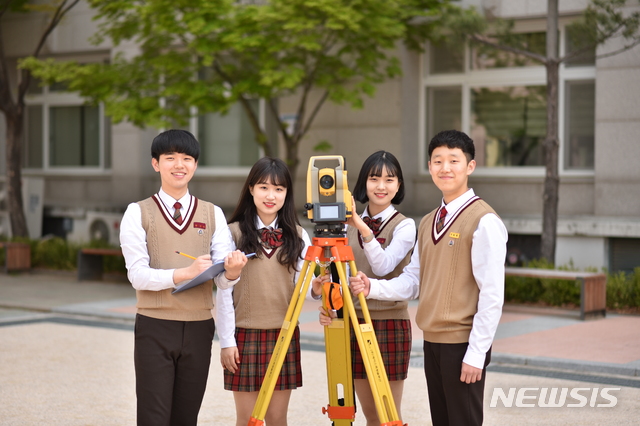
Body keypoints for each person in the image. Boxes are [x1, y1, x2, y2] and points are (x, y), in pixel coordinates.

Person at [349, 130, 507, 426]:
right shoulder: (428, 221)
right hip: (433, 342)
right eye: (437, 161)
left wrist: (476, 353)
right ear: (430, 166)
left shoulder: (484, 221)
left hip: (462, 344)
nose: (445, 168)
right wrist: (372, 287)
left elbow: (492, 294)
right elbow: (412, 281)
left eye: (453, 160)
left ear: (470, 167)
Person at [119, 129, 248, 426]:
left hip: (200, 327)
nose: (179, 165)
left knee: (186, 417)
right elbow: (137, 275)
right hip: (155, 325)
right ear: (156, 164)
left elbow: (222, 279)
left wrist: (232, 272)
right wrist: (184, 274)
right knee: (153, 416)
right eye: (170, 158)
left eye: (187, 158)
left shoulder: (213, 213)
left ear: (195, 165)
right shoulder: (137, 213)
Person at [311, 150, 416, 425]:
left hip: (389, 322)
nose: (381, 186)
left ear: (399, 185)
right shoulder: (343, 227)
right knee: (370, 414)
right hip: (352, 321)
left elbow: (383, 266)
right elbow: (337, 277)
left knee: (388, 415)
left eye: (389, 179)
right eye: (374, 178)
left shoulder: (405, 226)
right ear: (363, 183)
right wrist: (329, 305)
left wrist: (359, 224)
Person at [216, 157, 311, 426]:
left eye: (279, 189)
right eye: (264, 187)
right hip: (244, 336)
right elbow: (222, 290)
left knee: (277, 418)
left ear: (287, 194)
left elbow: (307, 290)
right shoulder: (231, 233)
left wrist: (318, 288)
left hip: (284, 334)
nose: (271, 195)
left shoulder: (300, 236)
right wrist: (226, 341)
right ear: (251, 189)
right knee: (247, 420)